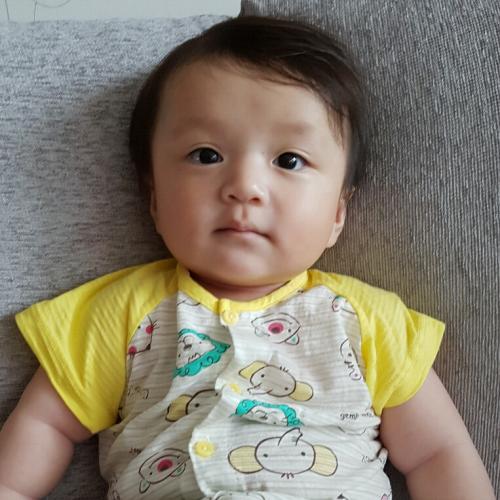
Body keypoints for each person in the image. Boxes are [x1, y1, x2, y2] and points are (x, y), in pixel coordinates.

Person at [0, 15, 494, 500]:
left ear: (337, 214)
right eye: (206, 155)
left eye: (289, 160)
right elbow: (45, 427)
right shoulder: (119, 315)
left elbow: (437, 453)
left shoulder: (367, 322)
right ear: (153, 199)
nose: (245, 186)